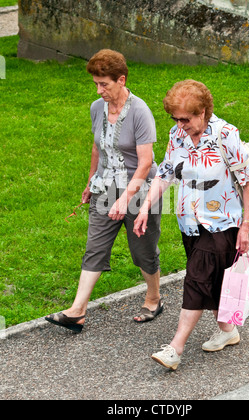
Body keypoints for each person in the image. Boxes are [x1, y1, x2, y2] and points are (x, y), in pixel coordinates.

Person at [133, 80, 249, 370]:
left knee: (197, 278)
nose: (179, 124)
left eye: (185, 119)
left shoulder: (226, 135)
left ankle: (175, 349)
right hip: (189, 223)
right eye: (175, 118)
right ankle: (228, 330)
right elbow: (165, 174)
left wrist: (246, 226)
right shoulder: (177, 135)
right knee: (211, 280)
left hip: (222, 223)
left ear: (202, 112)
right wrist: (143, 209)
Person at [46, 49, 163, 333]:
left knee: (143, 250)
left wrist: (125, 199)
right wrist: (90, 182)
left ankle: (154, 298)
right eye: (96, 84)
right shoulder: (96, 108)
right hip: (104, 187)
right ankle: (77, 311)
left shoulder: (139, 111)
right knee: (95, 248)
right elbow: (97, 147)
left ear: (121, 80)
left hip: (138, 189)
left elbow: (145, 162)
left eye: (104, 84)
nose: (99, 91)